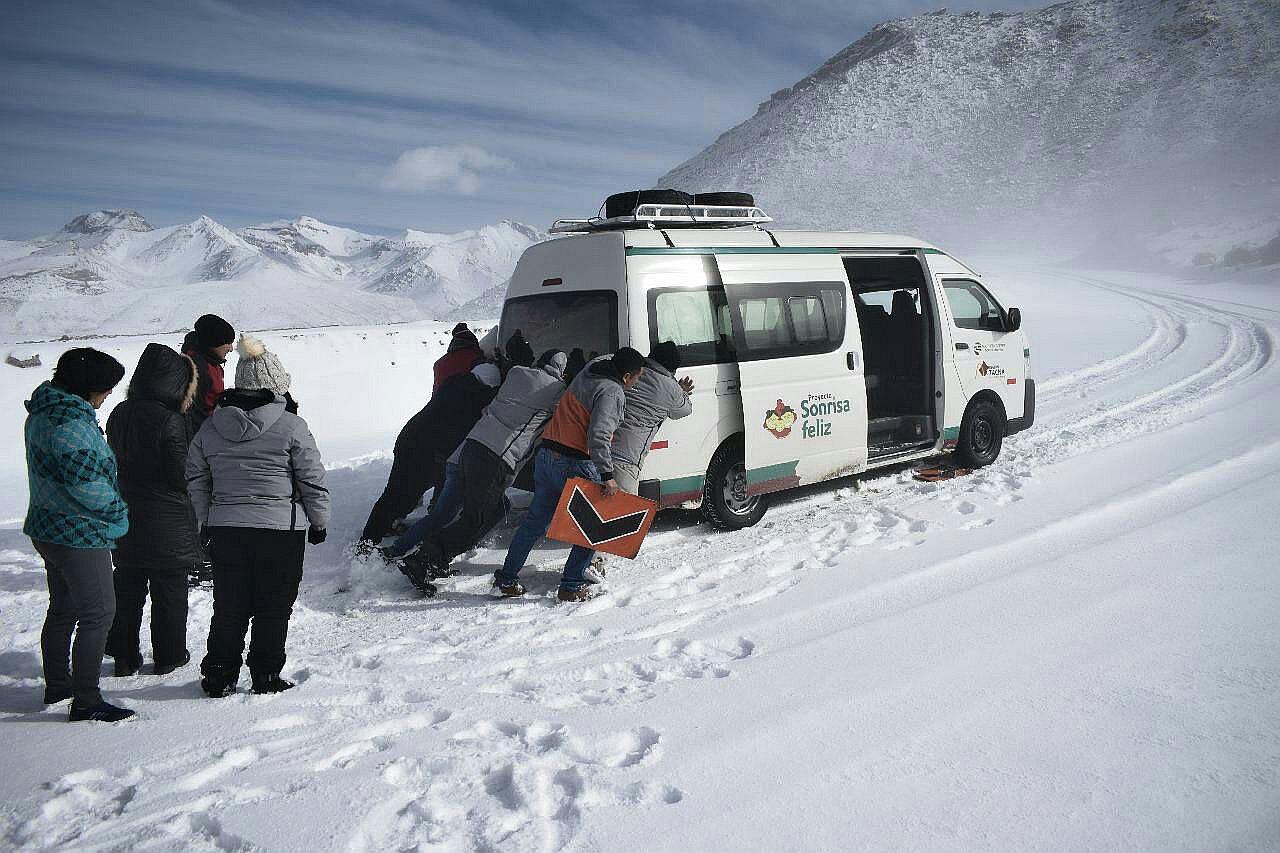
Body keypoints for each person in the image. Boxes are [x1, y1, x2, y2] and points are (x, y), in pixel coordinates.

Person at [186, 335, 329, 697]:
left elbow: (197, 478)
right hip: (280, 531)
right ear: (276, 385)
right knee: (274, 607)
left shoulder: (211, 425)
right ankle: (265, 674)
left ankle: (218, 674)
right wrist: (319, 520)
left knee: (229, 607)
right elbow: (311, 478)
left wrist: (206, 519)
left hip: (226, 529)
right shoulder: (292, 426)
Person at [24, 347, 134, 722]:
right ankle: (86, 698)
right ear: (88, 388)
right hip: (77, 532)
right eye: (104, 389)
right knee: (99, 611)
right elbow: (88, 486)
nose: (107, 397)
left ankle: (58, 684)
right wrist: (119, 514)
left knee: (64, 608)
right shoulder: (70, 424)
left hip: (49, 525)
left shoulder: (45, 412)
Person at [402, 349, 569, 588]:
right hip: (496, 456)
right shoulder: (555, 391)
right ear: (560, 370)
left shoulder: (516, 372)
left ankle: (434, 558)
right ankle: (423, 559)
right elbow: (566, 411)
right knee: (477, 517)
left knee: (496, 508)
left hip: (471, 447)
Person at [495, 347, 645, 602]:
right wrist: (607, 474)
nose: (638, 382)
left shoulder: (587, 375)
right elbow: (598, 435)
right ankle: (572, 584)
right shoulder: (612, 391)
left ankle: (507, 578)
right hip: (576, 462)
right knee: (593, 526)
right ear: (628, 375)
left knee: (534, 524)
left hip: (547, 456)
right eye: (638, 377)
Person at [104, 344, 199, 678]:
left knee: (127, 590)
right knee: (169, 591)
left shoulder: (119, 412)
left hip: (126, 514)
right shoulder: (170, 419)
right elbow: (179, 475)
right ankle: (170, 655)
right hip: (167, 521)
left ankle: (124, 656)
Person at [359, 360, 502, 547]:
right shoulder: (474, 396)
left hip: (409, 438)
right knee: (399, 495)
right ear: (488, 384)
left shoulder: (454, 382)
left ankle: (381, 529)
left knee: (398, 493)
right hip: (425, 451)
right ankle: (368, 542)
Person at [609, 342, 694, 494]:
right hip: (626, 459)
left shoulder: (631, 370)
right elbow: (684, 410)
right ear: (672, 369)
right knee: (624, 514)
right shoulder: (671, 389)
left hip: (599, 451)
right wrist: (682, 391)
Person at [181, 314, 235, 431]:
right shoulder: (198, 369)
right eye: (228, 343)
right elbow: (195, 415)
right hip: (203, 436)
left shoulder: (211, 361)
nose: (231, 348)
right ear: (214, 343)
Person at [432, 323, 484, 390]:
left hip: (439, 399)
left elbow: (436, 389)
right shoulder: (475, 356)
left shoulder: (438, 363)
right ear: (472, 340)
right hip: (466, 398)